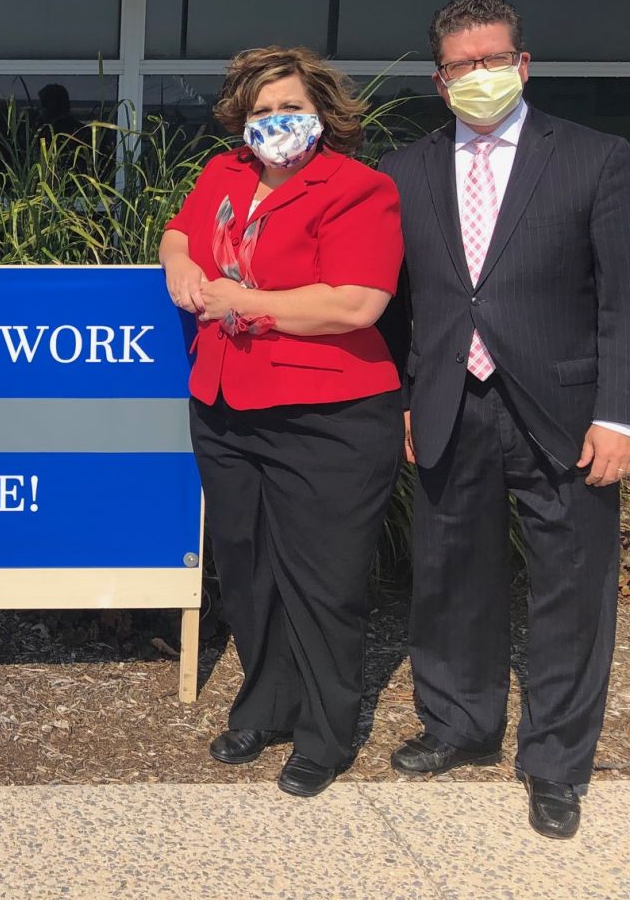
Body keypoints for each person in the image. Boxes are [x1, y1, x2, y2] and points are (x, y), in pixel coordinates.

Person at [378, 0, 630, 839]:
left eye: (493, 59)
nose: (479, 75)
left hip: (568, 413)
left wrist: (622, 417)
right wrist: (402, 395)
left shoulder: (593, 158)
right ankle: (460, 726)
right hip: (448, 403)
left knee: (572, 591)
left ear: (523, 64)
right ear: (440, 79)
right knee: (451, 578)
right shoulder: (406, 170)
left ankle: (556, 763)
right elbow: (398, 308)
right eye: (462, 65)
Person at [159, 46, 403, 798]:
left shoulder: (360, 189)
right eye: (261, 111)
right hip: (227, 406)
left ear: (322, 113)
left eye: (289, 108)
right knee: (249, 572)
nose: (274, 122)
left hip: (327, 417)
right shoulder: (225, 176)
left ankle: (326, 735)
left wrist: (244, 301)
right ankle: (265, 706)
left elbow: (356, 303)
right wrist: (183, 270)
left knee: (322, 583)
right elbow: (178, 234)